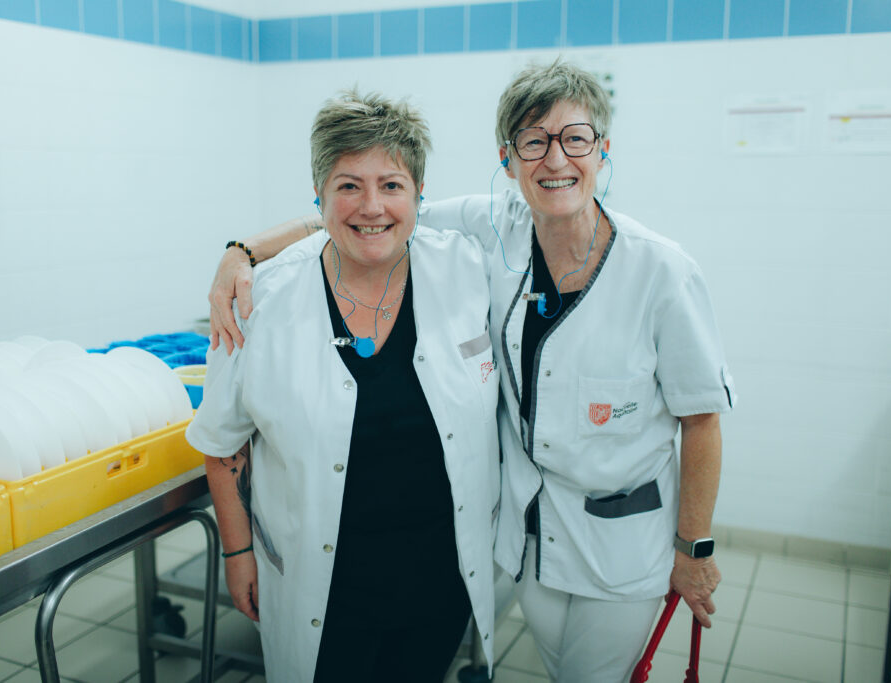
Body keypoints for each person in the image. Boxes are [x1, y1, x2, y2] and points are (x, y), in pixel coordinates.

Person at [207, 60, 735, 682]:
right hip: (529, 541)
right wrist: (241, 251)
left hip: (621, 541)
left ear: (603, 148)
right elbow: (369, 213)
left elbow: (702, 419)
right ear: (508, 158)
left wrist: (694, 549)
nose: (556, 159)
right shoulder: (495, 230)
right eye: (534, 141)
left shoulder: (662, 271)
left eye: (575, 138)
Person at [185, 90, 500, 683]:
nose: (371, 206)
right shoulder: (260, 298)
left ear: (419, 194)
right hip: (320, 590)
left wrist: (242, 245)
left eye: (391, 185)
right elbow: (222, 445)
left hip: (440, 578)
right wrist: (237, 551)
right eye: (348, 185)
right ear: (319, 194)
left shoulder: (467, 267)